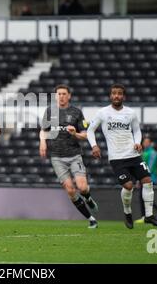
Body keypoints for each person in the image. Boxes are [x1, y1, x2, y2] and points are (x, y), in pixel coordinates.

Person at [87, 84, 157, 229]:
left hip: (133, 154)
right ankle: (127, 212)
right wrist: (94, 146)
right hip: (117, 158)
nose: (116, 96)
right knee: (128, 186)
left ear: (123, 96)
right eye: (114, 93)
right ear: (110, 96)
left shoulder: (131, 113)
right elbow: (90, 131)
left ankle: (149, 215)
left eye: (119, 93)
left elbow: (137, 131)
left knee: (147, 181)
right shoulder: (102, 113)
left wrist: (137, 143)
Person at [40, 84, 99, 229]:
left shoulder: (76, 112)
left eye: (64, 94)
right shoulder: (49, 111)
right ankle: (91, 219)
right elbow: (43, 130)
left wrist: (75, 134)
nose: (61, 96)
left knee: (82, 187)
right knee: (71, 190)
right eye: (59, 94)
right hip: (56, 157)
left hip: (74, 155)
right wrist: (42, 142)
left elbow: (85, 135)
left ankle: (88, 197)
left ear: (69, 95)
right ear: (55, 96)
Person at [135, 137, 157, 224]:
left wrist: (144, 176)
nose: (145, 143)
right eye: (144, 142)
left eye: (147, 142)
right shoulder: (144, 152)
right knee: (143, 196)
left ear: (150, 143)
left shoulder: (152, 153)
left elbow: (150, 166)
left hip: (150, 176)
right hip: (144, 176)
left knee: (144, 196)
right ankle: (146, 216)